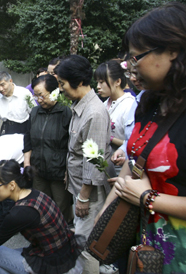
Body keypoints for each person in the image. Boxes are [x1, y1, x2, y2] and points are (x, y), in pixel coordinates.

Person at [98, 2, 186, 274]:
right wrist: (102, 220)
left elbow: (139, 190)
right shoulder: (148, 105)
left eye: (137, 57)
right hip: (144, 245)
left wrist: (149, 198)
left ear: (172, 50)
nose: (131, 67)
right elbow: (132, 167)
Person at [0, 159, 82, 274]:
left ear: (12, 185)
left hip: (54, 266)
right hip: (62, 252)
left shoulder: (20, 213)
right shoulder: (32, 193)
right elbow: (3, 219)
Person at [56, 54, 115, 274]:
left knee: (85, 244)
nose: (61, 89)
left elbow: (94, 162)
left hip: (88, 192)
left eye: (62, 84)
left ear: (79, 82)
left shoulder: (95, 113)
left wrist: (83, 198)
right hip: (79, 186)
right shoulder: (79, 104)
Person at [23, 74, 73, 223]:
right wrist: (27, 163)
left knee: (60, 208)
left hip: (59, 171)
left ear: (54, 92)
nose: (39, 100)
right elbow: (28, 139)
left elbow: (72, 144)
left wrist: (68, 171)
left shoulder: (66, 112)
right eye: (36, 96)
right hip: (38, 170)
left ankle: (62, 238)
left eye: (42, 95)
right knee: (40, 207)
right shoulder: (34, 113)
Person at [95, 60, 135, 174]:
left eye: (102, 82)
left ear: (117, 81)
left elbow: (133, 142)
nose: (98, 86)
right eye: (97, 82)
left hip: (121, 168)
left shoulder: (129, 105)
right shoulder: (104, 104)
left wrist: (109, 138)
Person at [111, 65, 145, 166]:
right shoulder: (137, 101)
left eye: (136, 72)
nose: (132, 78)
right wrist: (124, 150)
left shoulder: (129, 102)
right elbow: (132, 138)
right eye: (130, 73)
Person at [0, 72, 35, 142]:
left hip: (23, 127)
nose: (0, 89)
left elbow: (34, 112)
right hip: (7, 128)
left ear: (10, 81)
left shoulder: (24, 93)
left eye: (2, 85)